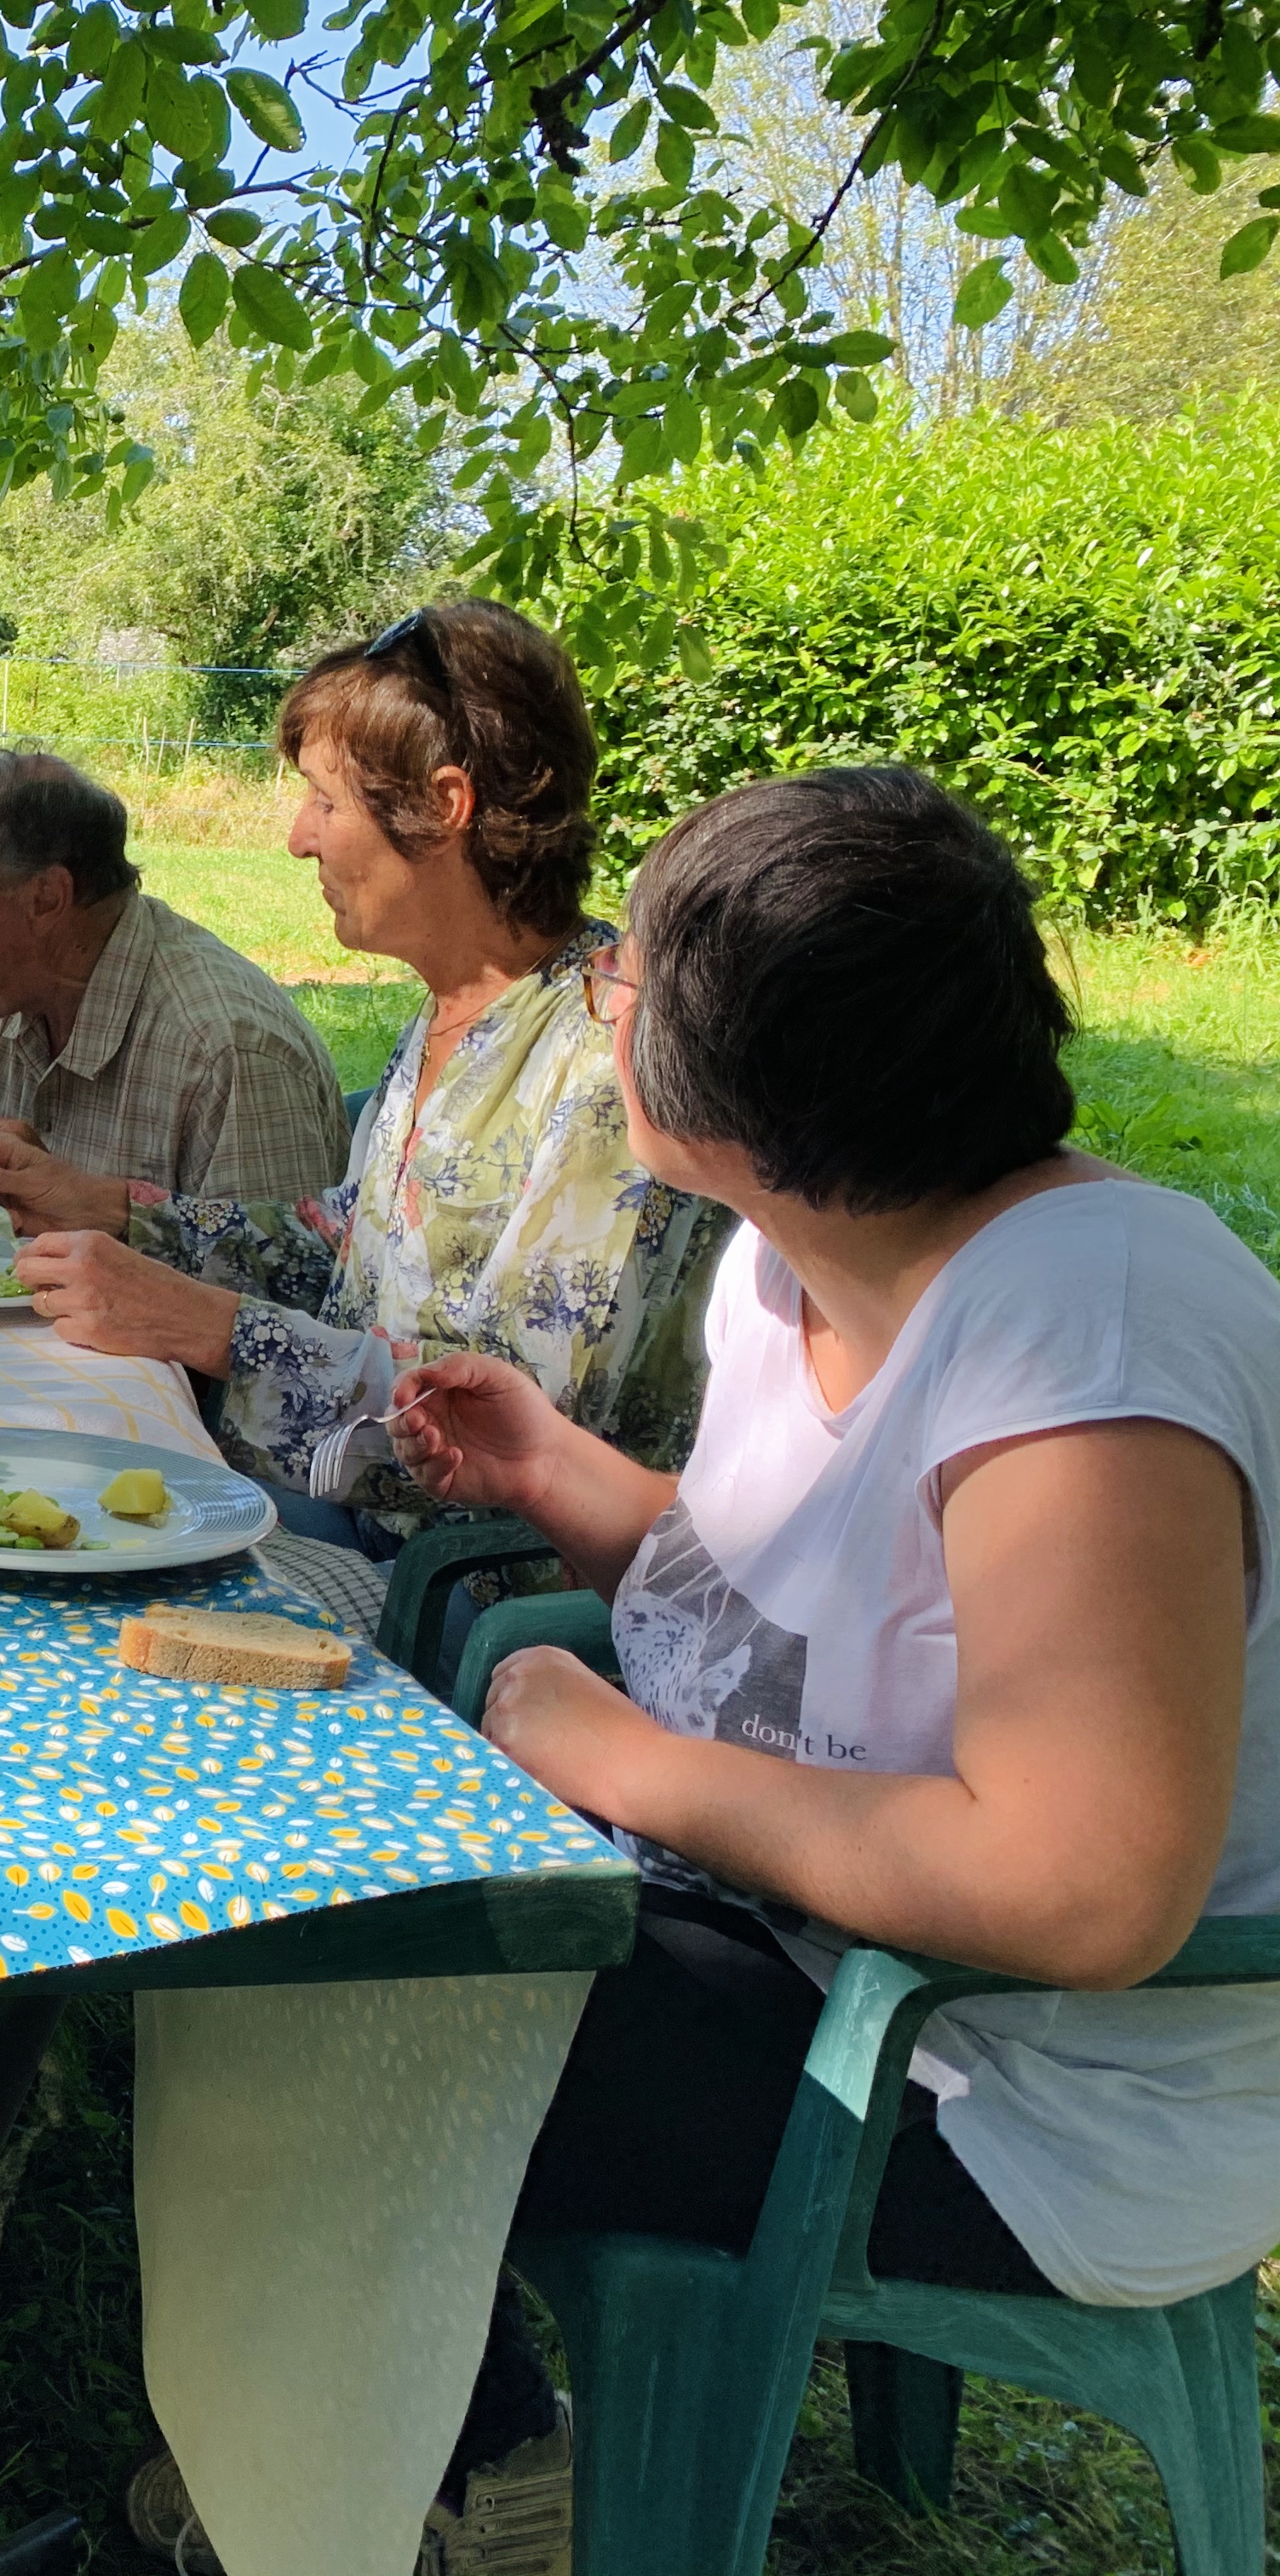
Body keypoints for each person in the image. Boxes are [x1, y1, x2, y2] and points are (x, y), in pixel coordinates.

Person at [391, 767, 1280, 2549]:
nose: (604, 993)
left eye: (628, 975)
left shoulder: (1084, 1352)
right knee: (341, 1922)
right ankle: (392, 2421)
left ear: (749, 1089)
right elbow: (794, 1618)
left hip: (1003, 2094)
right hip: (800, 1953)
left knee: (373, 2001)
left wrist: (613, 1758)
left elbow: (1084, 1889)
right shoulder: (796, 1257)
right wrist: (564, 1481)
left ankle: (477, 2465)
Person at [0, 601, 730, 1559]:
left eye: (326, 801)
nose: (300, 838)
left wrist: (217, 1331)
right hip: (346, 1512)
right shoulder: (461, 1009)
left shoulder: (604, 1063)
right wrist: (115, 1211)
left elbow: (526, 1425)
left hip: (458, 1600)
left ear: (445, 806)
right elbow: (353, 1254)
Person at [0, 749, 350, 1200]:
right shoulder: (2, 988)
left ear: (45, 899)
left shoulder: (226, 1050)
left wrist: (101, 1219)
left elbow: (280, 1298)